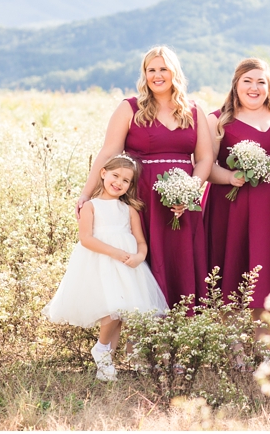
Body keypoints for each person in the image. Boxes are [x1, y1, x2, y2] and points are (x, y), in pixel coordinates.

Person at [76, 46, 213, 309]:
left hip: (181, 202)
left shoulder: (193, 111)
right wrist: (86, 193)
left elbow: (205, 158)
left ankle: (183, 322)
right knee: (143, 255)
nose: (157, 75)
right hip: (140, 198)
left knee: (180, 257)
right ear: (144, 74)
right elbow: (108, 153)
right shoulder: (130, 107)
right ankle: (143, 325)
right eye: (151, 70)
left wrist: (189, 191)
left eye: (163, 69)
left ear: (174, 72)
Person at [46, 154, 169, 381]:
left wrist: (139, 256)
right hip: (100, 263)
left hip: (127, 267)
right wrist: (115, 252)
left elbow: (141, 242)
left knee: (119, 316)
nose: (119, 182)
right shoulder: (90, 206)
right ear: (103, 173)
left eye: (126, 180)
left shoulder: (129, 210)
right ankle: (101, 347)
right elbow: (86, 239)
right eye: (115, 175)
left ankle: (105, 364)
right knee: (113, 309)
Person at [204, 58, 270, 325]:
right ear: (236, 84)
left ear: (269, 86)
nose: (254, 88)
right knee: (231, 267)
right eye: (248, 81)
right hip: (232, 208)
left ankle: (266, 339)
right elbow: (206, 166)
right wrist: (231, 176)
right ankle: (233, 342)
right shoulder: (218, 120)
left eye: (261, 82)